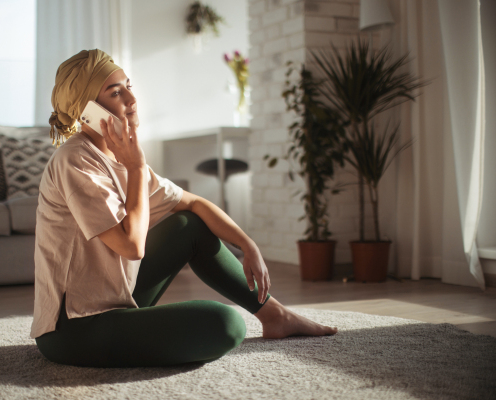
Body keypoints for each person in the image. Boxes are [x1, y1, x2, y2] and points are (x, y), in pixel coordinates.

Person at [30, 49, 337, 368]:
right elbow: (132, 246)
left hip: (117, 301)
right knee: (226, 325)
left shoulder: (121, 157)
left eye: (129, 85)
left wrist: (247, 245)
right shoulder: (75, 161)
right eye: (116, 92)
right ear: (87, 111)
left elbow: (193, 203)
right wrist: (136, 166)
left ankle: (277, 316)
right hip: (73, 329)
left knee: (189, 225)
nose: (132, 100)